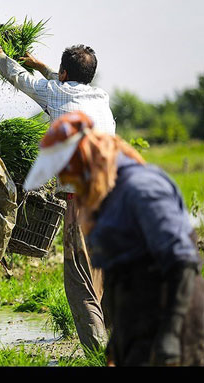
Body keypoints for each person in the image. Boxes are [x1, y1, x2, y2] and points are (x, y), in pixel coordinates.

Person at [23, 111, 204, 366]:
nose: (64, 182)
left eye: (66, 173)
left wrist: (170, 338)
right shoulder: (104, 202)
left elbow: (183, 265)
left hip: (175, 327)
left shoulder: (141, 189)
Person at [0, 42, 115, 350]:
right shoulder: (101, 98)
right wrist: (40, 64)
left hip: (80, 201)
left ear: (65, 72)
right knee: (105, 274)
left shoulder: (55, 93)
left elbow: (21, 79)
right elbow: (64, 81)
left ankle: (98, 354)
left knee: (79, 279)